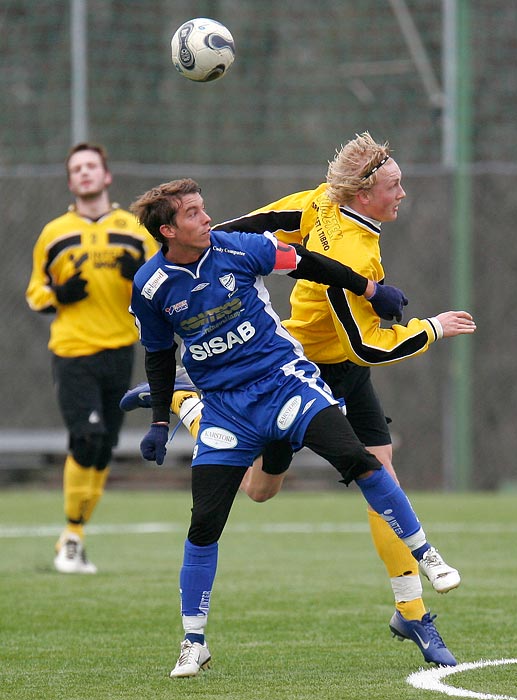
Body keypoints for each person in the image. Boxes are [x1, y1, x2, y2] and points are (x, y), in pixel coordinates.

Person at [121, 132, 476, 667]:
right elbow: (366, 346)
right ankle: (188, 405)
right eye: (395, 184)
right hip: (303, 368)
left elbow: (253, 224)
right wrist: (433, 327)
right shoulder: (349, 244)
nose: (404, 192)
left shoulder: (320, 201)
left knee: (376, 469)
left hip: (331, 372)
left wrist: (209, 245)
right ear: (363, 193)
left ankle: (414, 612)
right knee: (261, 492)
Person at [25, 142, 159, 574]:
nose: (84, 173)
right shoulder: (54, 232)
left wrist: (137, 280)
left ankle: (75, 537)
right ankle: (70, 538)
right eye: (76, 168)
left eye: (91, 167)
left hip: (120, 349)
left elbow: (161, 284)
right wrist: (58, 295)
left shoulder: (134, 228)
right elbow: (35, 293)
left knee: (103, 447)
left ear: (106, 177)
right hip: (73, 349)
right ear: (70, 181)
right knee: (86, 437)